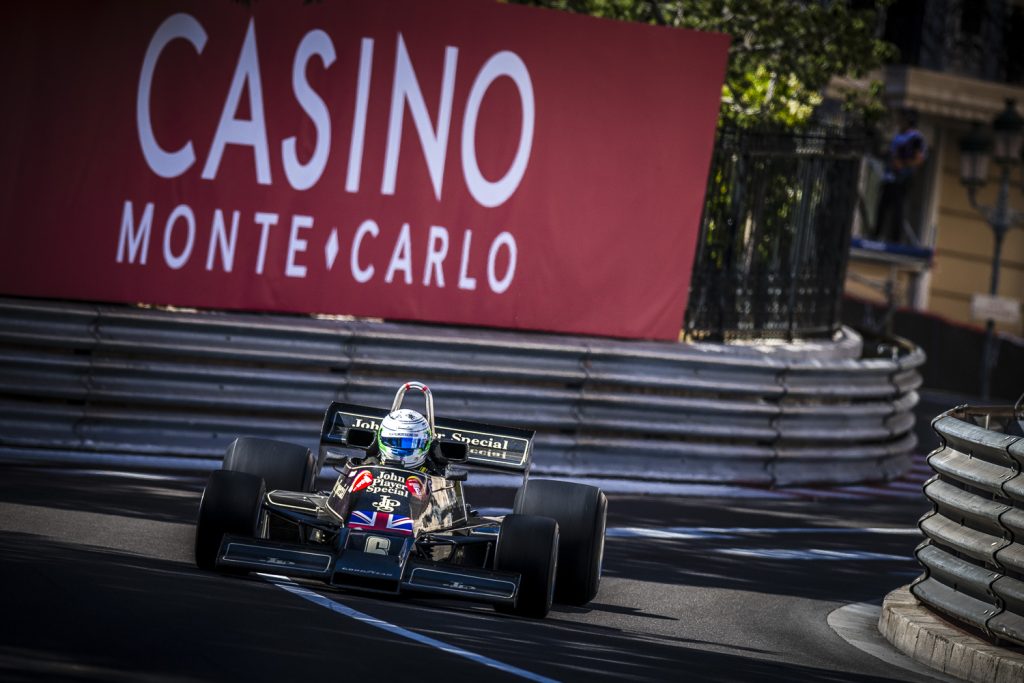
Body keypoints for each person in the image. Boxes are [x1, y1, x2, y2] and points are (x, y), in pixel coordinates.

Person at [874, 109, 927, 243]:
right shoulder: (898, 135)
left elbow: (919, 159)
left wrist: (903, 164)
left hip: (902, 178)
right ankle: (876, 234)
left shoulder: (916, 137)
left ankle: (895, 238)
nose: (899, 122)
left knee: (898, 208)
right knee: (882, 207)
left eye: (902, 119)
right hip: (890, 177)